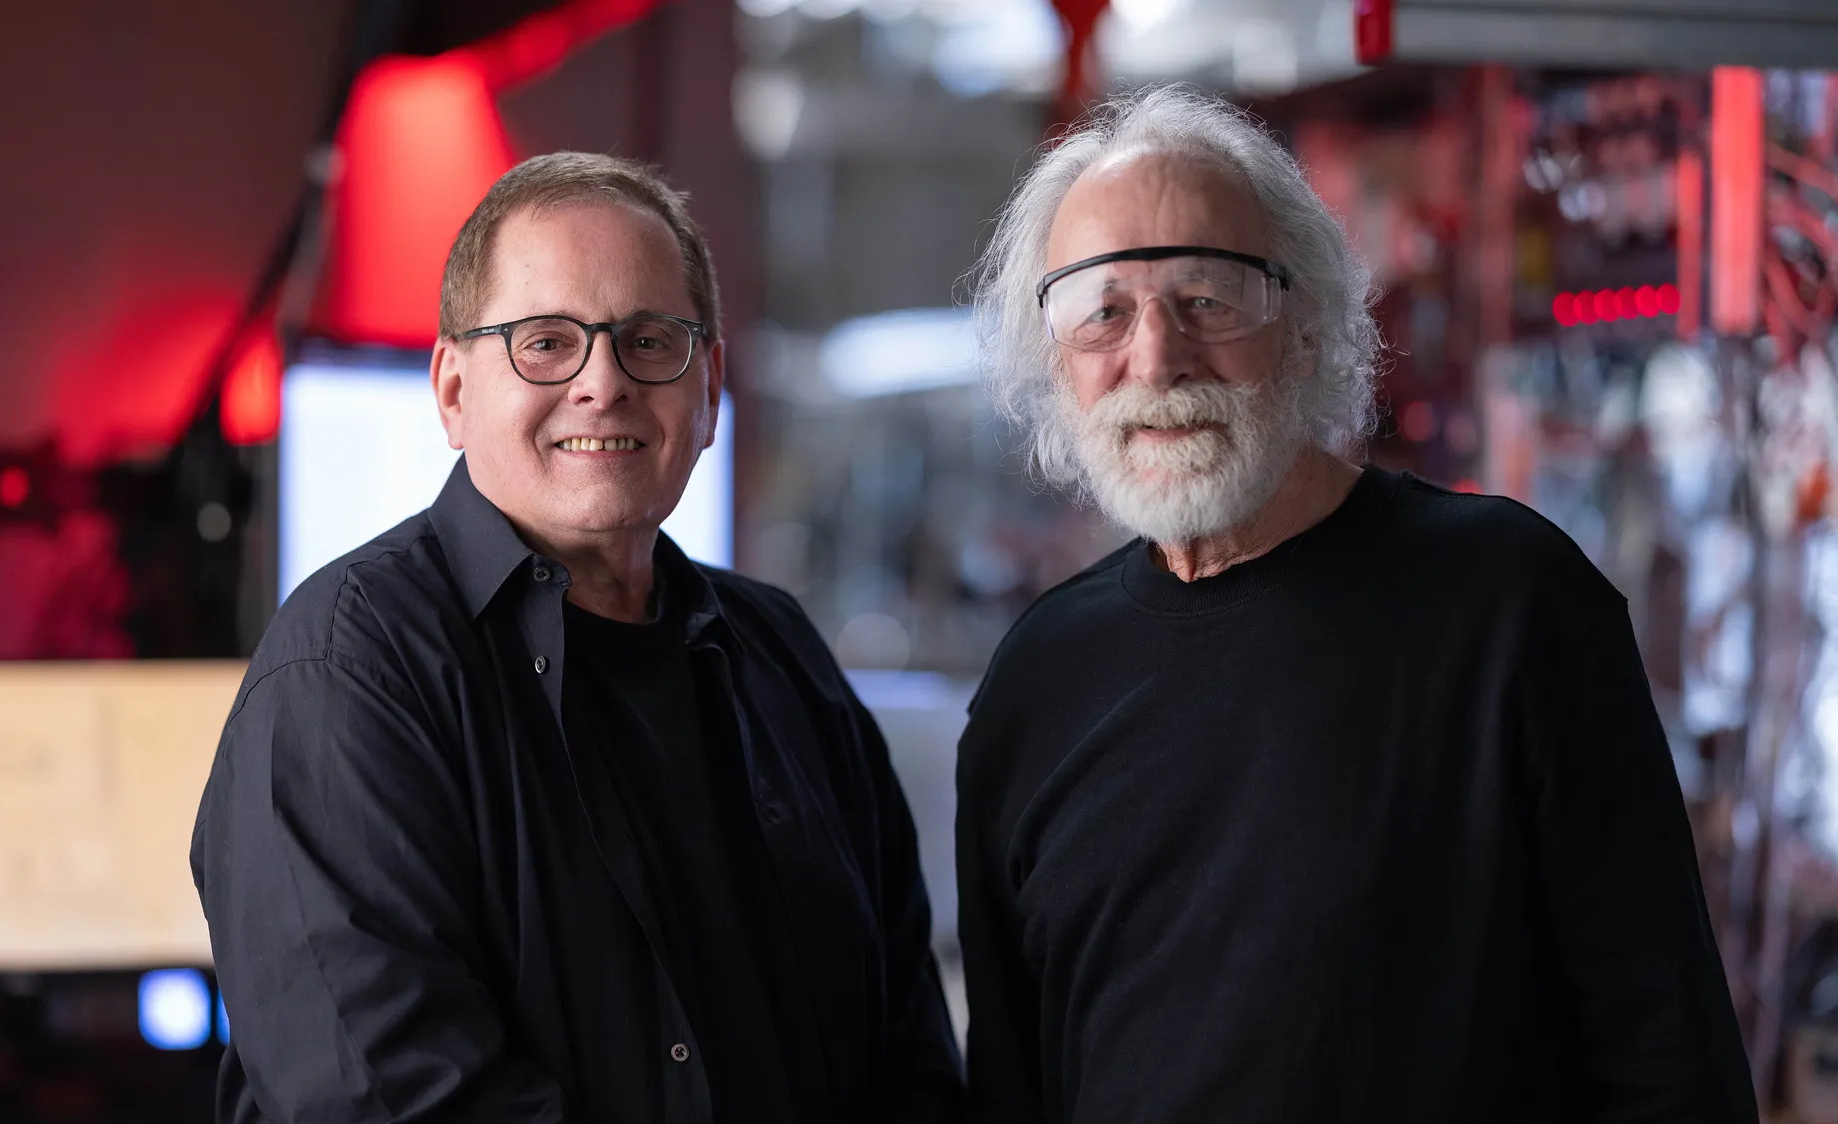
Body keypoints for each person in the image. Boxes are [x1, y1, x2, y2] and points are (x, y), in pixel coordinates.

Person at [956, 85, 1757, 1123]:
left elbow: (1669, 1064)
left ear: (1303, 321)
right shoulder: (1036, 684)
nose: (1155, 357)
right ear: (1054, 357)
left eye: (1206, 296)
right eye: (1101, 308)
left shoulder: (1511, 608)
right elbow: (1014, 1091)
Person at [192, 152, 961, 1123]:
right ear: (453, 390)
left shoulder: (780, 654)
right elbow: (393, 1099)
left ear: (710, 387)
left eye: (649, 340)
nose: (603, 382)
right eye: (545, 342)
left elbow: (906, 1039)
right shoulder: (350, 673)